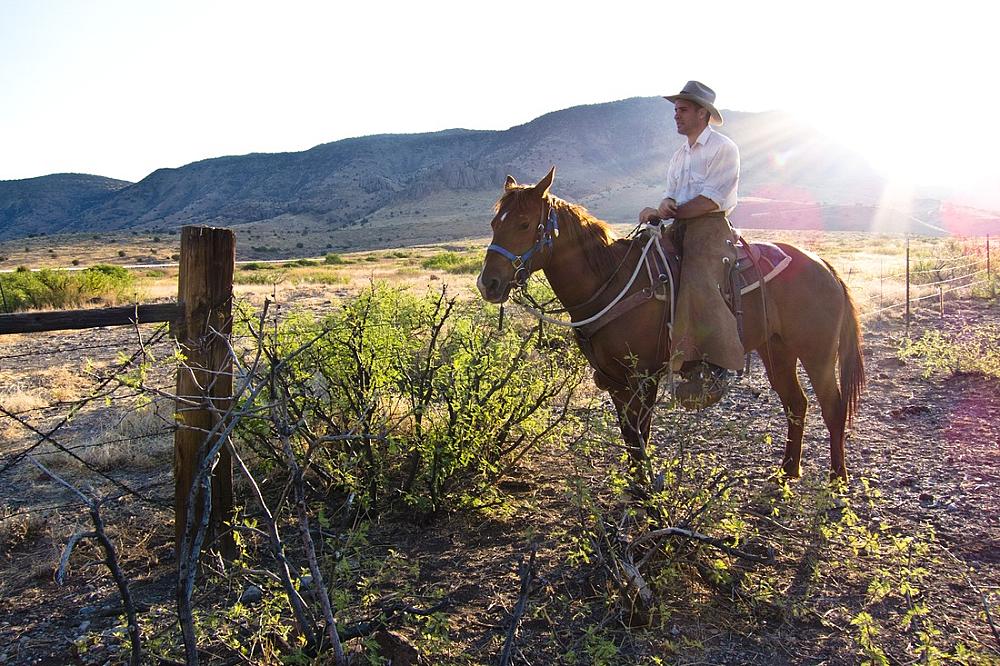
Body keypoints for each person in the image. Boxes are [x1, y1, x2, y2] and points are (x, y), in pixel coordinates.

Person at [639, 80, 743, 409]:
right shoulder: (679, 156)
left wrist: (668, 211)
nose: (676, 115)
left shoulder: (723, 148)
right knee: (640, 262)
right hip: (679, 225)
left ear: (702, 113)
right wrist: (663, 206)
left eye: (682, 110)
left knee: (698, 279)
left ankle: (715, 365)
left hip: (709, 227)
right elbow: (672, 195)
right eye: (675, 110)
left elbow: (711, 200)